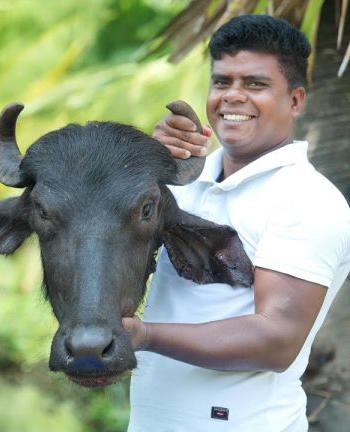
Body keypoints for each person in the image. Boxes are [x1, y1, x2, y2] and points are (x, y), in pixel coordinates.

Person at [123, 14, 350, 432]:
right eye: (222, 81)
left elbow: (276, 340)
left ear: (296, 100)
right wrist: (146, 165)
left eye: (255, 84)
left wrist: (144, 336)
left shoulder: (308, 200)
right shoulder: (183, 183)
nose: (233, 96)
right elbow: (113, 244)